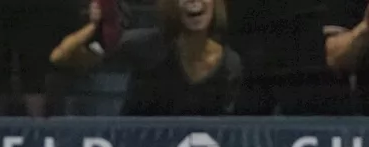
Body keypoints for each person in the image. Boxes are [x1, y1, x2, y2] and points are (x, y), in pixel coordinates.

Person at [50, 0, 242, 116]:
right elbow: (62, 57)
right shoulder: (145, 44)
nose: (193, 1)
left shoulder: (230, 64)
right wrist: (95, 27)